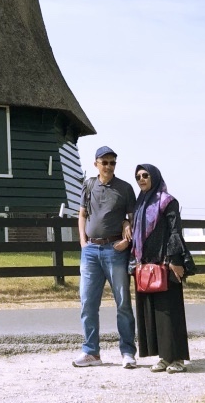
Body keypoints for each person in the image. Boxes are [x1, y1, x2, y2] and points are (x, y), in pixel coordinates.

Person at [73, 146, 137, 369]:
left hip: (115, 249)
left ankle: (128, 351)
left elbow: (132, 218)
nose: (109, 166)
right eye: (105, 162)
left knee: (123, 303)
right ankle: (91, 352)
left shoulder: (125, 188)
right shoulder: (88, 185)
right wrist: (82, 242)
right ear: (96, 164)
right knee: (88, 303)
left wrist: (127, 238)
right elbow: (82, 214)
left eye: (112, 163)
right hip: (90, 250)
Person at [131, 163, 196, 374]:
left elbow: (174, 231)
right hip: (146, 266)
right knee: (154, 313)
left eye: (145, 175)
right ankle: (163, 357)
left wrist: (175, 259)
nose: (141, 179)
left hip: (166, 264)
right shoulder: (140, 204)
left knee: (170, 312)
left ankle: (177, 358)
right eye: (138, 176)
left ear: (155, 177)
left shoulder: (167, 201)